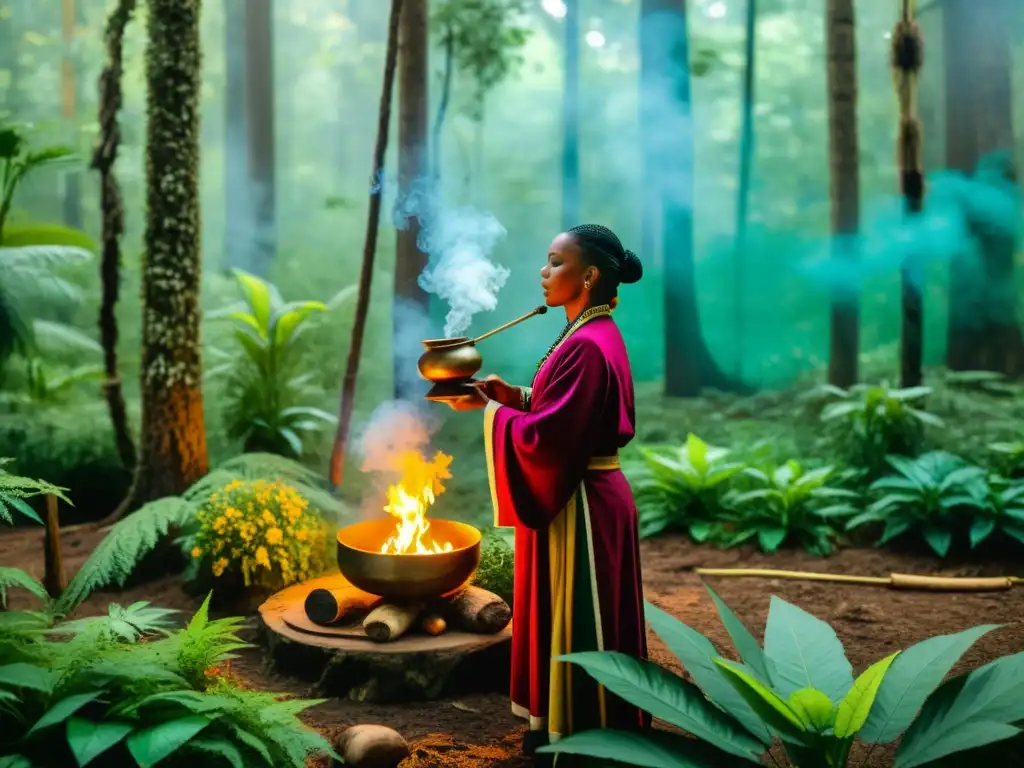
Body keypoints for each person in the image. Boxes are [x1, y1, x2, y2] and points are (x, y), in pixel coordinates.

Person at [473, 224, 650, 762]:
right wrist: (516, 397)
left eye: (555, 262)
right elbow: (567, 411)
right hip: (586, 491)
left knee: (581, 614)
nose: (543, 273)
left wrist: (492, 414)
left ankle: (583, 733)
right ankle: (566, 721)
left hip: (584, 501)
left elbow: (554, 436)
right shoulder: (589, 333)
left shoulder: (591, 344)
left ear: (589, 275)